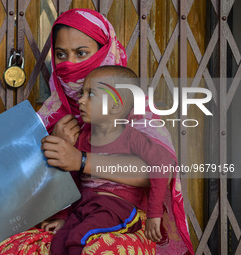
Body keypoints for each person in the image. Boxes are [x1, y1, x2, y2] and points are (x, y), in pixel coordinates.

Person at [0, 8, 193, 255]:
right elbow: (18, 189)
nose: (70, 64)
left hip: (124, 218)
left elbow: (154, 170)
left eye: (81, 53)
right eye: (61, 55)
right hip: (71, 215)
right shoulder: (53, 112)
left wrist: (79, 159)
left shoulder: (133, 107)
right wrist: (51, 149)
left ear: (105, 52)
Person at [41, 65, 175, 254]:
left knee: (79, 236)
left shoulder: (132, 137)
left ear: (115, 105)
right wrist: (64, 216)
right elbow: (72, 181)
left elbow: (162, 165)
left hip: (116, 208)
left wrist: (155, 214)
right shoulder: (81, 140)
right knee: (59, 240)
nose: (81, 100)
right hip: (85, 207)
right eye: (82, 93)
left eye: (91, 95)